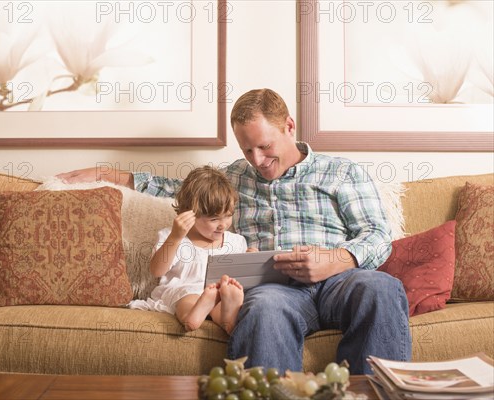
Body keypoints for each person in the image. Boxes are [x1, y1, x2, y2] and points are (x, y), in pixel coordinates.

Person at [57, 88, 412, 374]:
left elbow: (378, 234)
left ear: (289, 127)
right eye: (247, 149)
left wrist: (336, 259)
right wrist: (115, 176)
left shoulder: (341, 173)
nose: (257, 159)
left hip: (339, 281)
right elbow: (184, 191)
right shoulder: (237, 177)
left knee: (381, 287)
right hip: (275, 288)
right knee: (262, 310)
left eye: (265, 146)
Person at [129, 166, 249, 334]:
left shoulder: (235, 242)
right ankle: (192, 317)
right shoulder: (175, 238)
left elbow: (242, 273)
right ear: (190, 214)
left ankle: (227, 319)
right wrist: (175, 237)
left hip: (219, 293)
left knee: (223, 300)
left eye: (228, 216)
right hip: (183, 292)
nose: (223, 225)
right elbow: (157, 270)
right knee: (187, 300)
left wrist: (251, 257)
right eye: (214, 219)